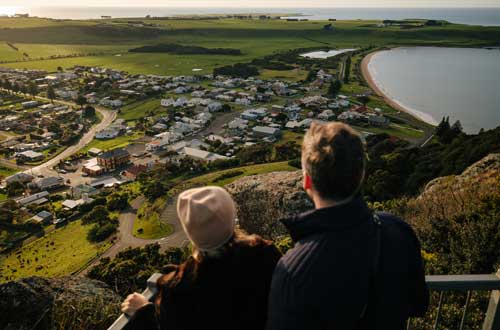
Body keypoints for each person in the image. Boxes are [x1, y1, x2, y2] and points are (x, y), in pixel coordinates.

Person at [266, 122, 429, 330]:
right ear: (361, 175)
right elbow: (419, 305)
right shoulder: (398, 231)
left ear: (307, 181)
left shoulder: (293, 269)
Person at [121, 186, 281, 330]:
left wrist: (143, 310)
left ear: (190, 231)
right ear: (231, 217)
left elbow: (169, 324)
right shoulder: (266, 254)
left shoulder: (179, 289)